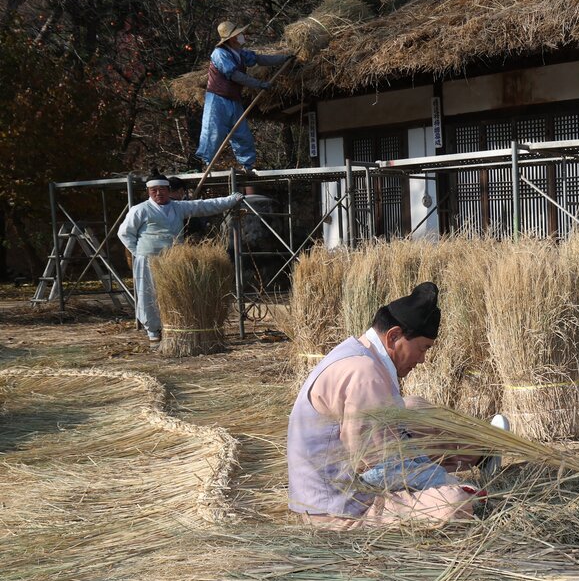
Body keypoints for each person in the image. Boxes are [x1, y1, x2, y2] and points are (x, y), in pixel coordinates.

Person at [287, 282, 503, 529]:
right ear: (394, 336)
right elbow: (382, 468)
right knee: (455, 504)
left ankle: (482, 454)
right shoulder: (364, 373)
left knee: (416, 408)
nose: (422, 359)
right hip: (341, 508)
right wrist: (446, 482)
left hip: (349, 482)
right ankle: (471, 470)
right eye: (422, 348)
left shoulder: (360, 352)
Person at [118, 175, 244, 343]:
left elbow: (205, 206)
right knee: (148, 293)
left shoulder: (178, 207)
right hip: (147, 259)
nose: (158, 193)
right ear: (148, 191)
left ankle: (172, 327)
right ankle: (153, 331)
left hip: (173, 260)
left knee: (173, 293)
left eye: (162, 189)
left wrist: (231, 200)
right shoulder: (140, 209)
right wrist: (139, 252)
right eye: (154, 190)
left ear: (168, 191)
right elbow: (124, 233)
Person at [194, 21, 291, 172]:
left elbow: (259, 59)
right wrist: (258, 84)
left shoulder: (239, 53)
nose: (241, 36)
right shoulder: (219, 54)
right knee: (214, 131)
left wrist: (284, 58)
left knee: (241, 132)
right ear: (231, 38)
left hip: (234, 100)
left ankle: (247, 164)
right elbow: (234, 75)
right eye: (238, 34)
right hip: (217, 99)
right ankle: (207, 163)